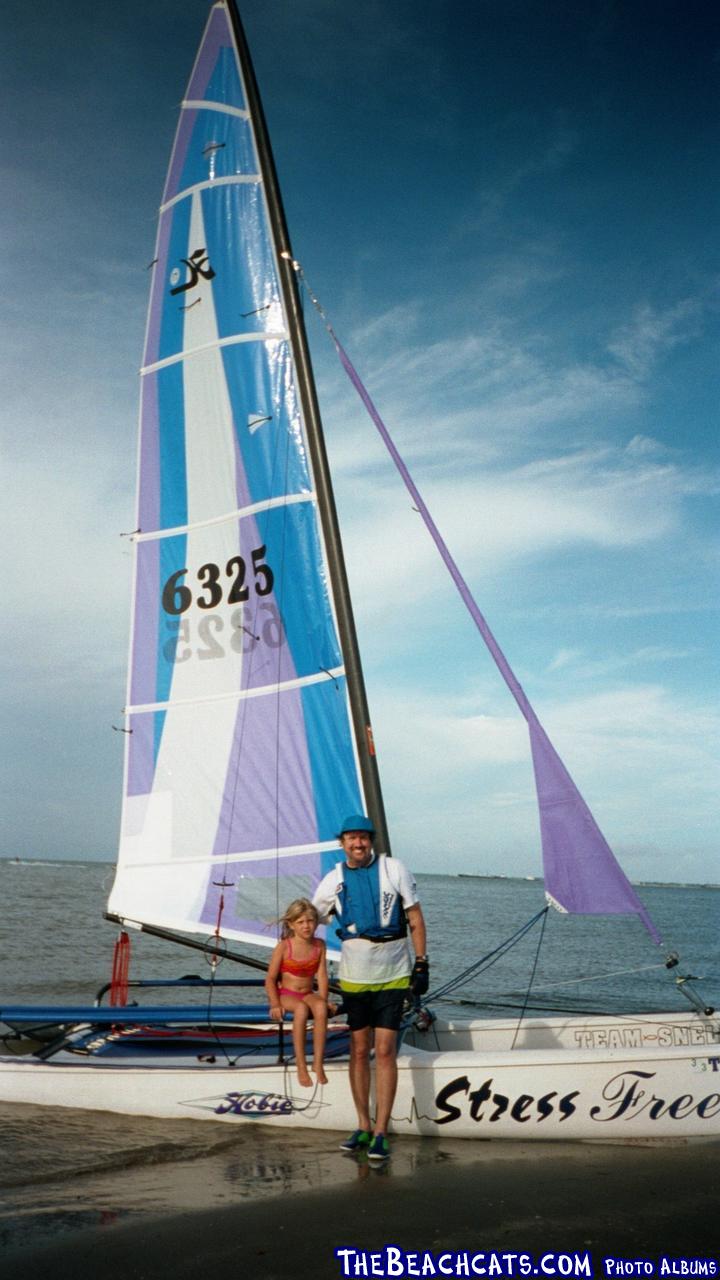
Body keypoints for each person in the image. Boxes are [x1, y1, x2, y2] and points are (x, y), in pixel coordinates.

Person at [312, 814, 429, 1163]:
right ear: (342, 843)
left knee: (386, 1050)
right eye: (351, 838)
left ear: (371, 841)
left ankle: (381, 1131)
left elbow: (416, 918)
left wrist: (422, 962)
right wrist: (294, 966)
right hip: (354, 976)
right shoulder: (333, 879)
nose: (357, 844)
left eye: (363, 838)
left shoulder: (394, 869)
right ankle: (362, 1124)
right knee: (359, 1050)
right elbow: (307, 920)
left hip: (393, 973)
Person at [265, 898, 332, 1088]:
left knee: (320, 1008)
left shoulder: (319, 945)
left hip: (308, 992)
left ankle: (318, 1062)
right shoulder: (284, 946)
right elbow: (270, 979)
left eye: (310, 921)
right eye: (301, 922)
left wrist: (324, 1000)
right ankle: (300, 1065)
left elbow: (322, 976)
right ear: (291, 924)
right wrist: (275, 1003)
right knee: (301, 1010)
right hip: (287, 994)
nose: (306, 926)